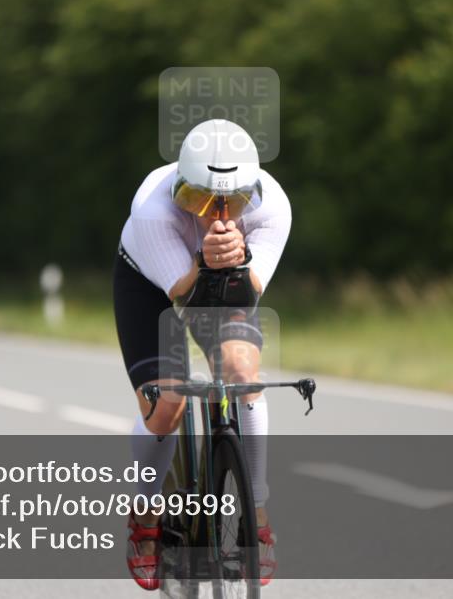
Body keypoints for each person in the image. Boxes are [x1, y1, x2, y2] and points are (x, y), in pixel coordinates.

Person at [113, 119, 291, 590]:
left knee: (241, 372)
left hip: (225, 284)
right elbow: (184, 295)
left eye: (233, 202)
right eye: (199, 201)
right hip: (152, 285)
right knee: (167, 402)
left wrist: (239, 260)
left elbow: (246, 294)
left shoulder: (273, 208)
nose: (217, 213)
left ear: (253, 194)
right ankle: (147, 512)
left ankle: (257, 509)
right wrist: (207, 260)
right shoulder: (153, 212)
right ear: (178, 188)